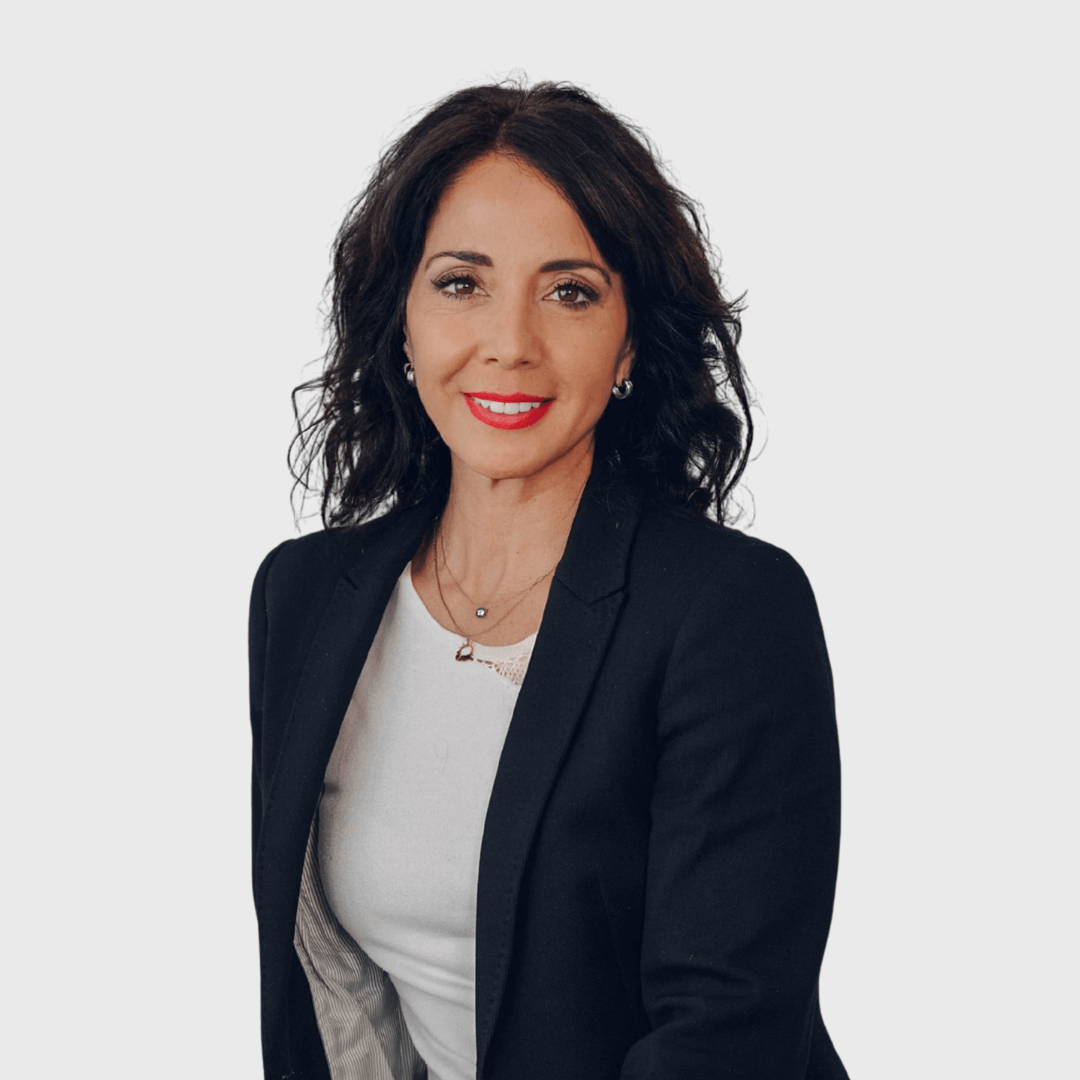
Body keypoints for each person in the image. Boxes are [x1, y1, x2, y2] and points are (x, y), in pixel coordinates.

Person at [249, 81, 848, 1080]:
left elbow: (725, 1030)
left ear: (629, 341)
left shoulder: (730, 611)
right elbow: (330, 992)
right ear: (401, 322)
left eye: (570, 291)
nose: (511, 344)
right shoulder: (305, 597)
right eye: (461, 283)